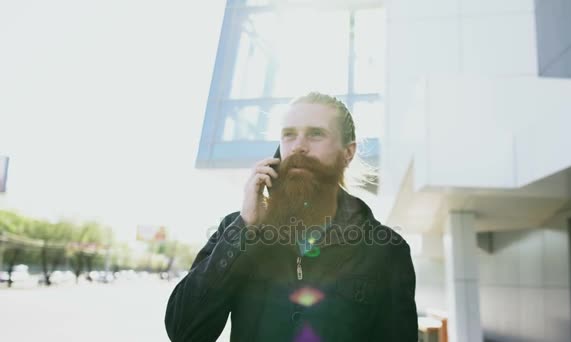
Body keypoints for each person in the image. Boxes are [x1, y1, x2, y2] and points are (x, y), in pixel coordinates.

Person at [165, 92, 418, 341]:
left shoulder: (387, 251)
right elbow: (184, 331)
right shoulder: (238, 228)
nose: (298, 146)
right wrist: (244, 229)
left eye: (316, 134)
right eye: (289, 135)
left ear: (347, 153)